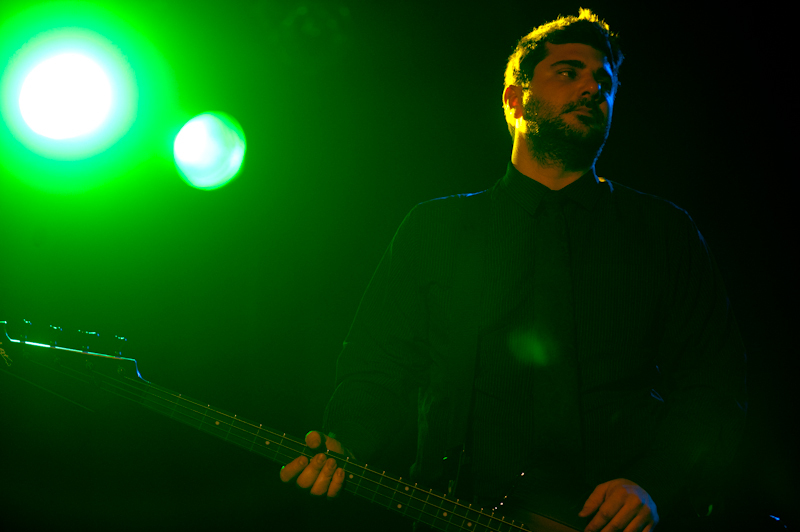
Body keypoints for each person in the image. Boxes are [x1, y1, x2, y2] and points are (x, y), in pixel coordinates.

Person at [280, 9, 747, 532]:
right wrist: (346, 441)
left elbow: (715, 384)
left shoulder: (664, 233)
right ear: (514, 100)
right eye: (568, 72)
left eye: (605, 81)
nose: (592, 88)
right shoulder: (435, 228)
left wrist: (653, 483)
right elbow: (378, 363)